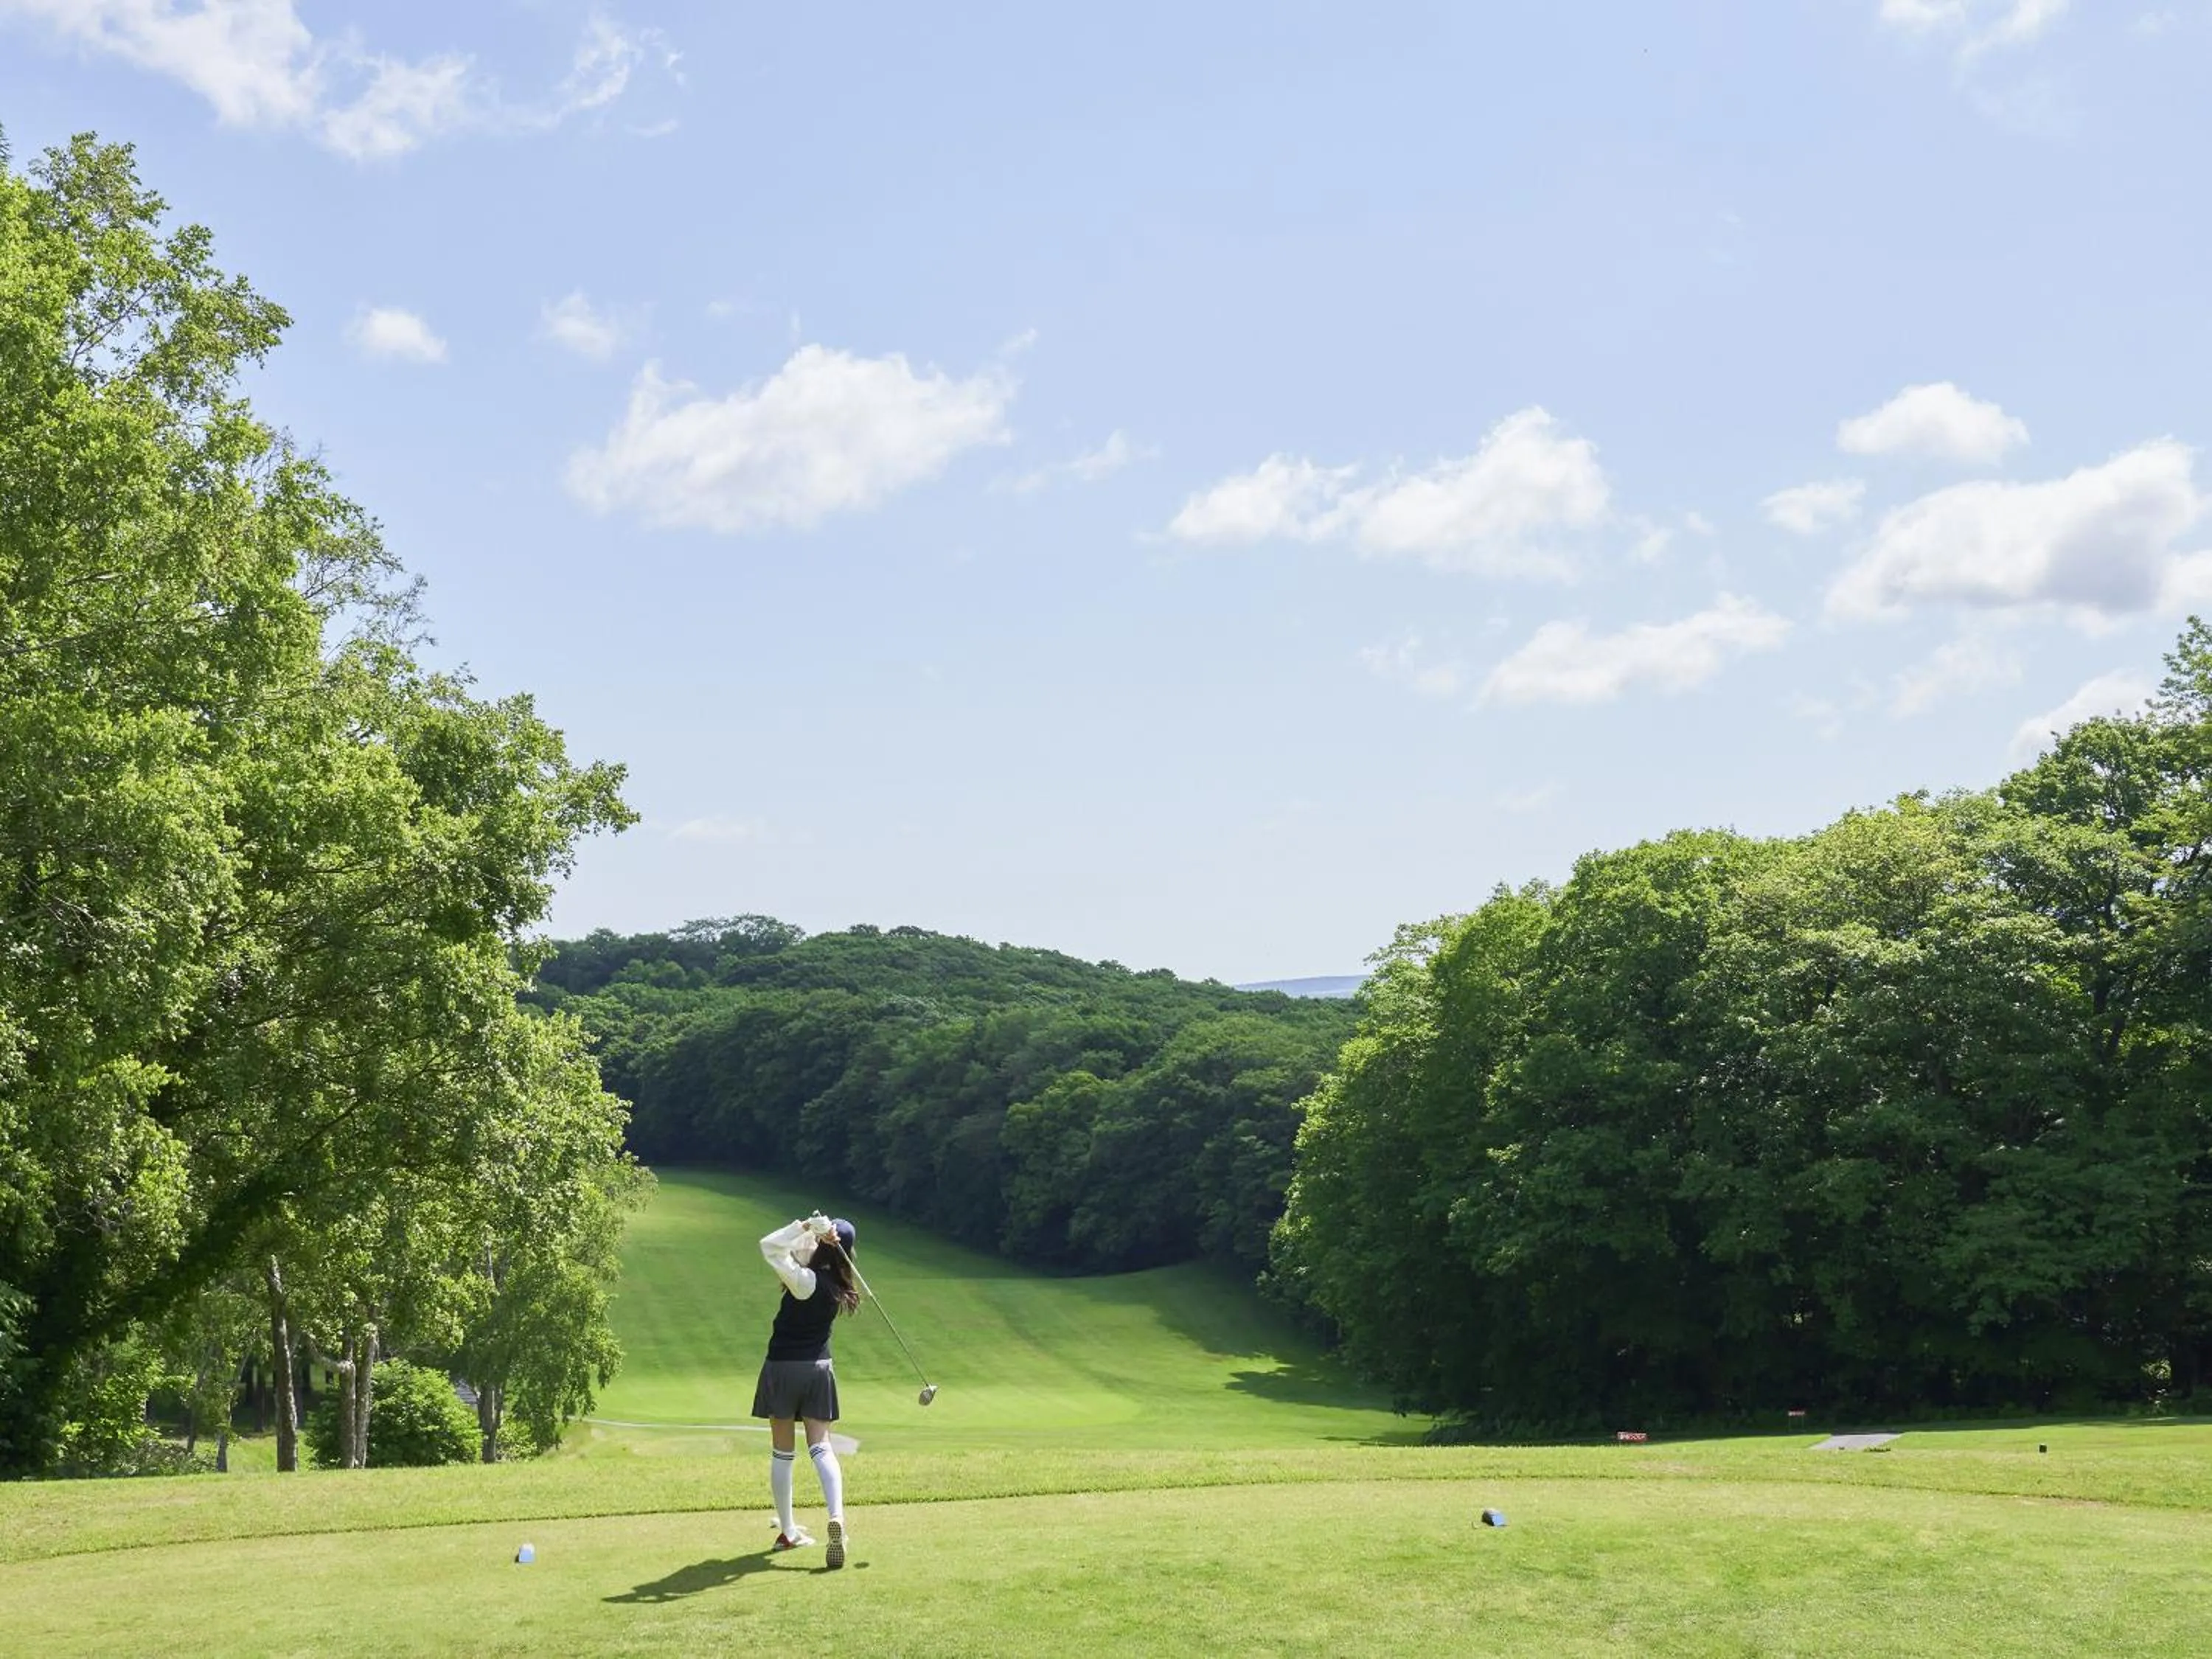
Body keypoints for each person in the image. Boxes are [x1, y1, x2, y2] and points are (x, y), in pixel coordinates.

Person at [754, 1211, 860, 1568]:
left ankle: (788, 1532)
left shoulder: (805, 1280)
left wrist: (802, 1227)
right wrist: (817, 1234)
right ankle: (837, 1518)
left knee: (783, 1452)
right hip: (818, 1369)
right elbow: (801, 1252)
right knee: (821, 1447)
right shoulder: (839, 1286)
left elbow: (770, 1246)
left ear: (824, 1244)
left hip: (783, 1367)